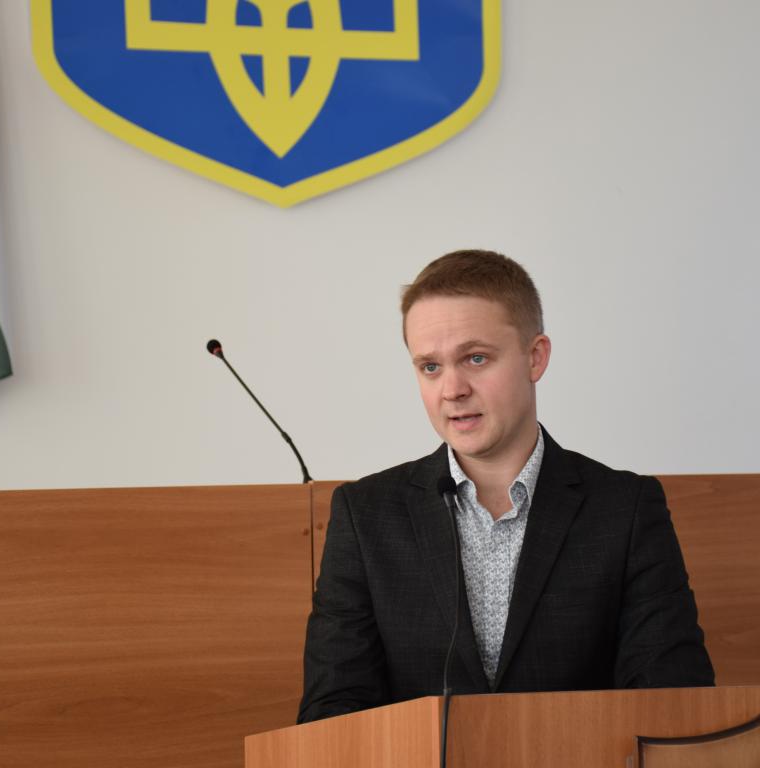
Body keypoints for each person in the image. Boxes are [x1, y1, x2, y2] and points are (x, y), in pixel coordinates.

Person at [298, 249, 714, 724]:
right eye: (430, 367)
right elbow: (331, 715)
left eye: (475, 358)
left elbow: (674, 703)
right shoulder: (365, 515)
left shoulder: (627, 509)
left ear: (535, 357)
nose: (452, 389)